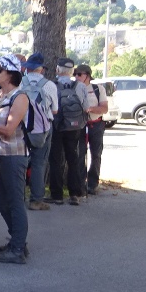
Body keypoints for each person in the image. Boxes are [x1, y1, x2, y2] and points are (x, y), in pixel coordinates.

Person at [0, 54, 30, 264]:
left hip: (14, 156)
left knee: (15, 202)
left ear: (11, 73)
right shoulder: (0, 96)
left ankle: (17, 247)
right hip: (1, 155)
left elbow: (9, 129)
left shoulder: (19, 97)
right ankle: (18, 241)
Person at [49, 57, 93, 205]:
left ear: (57, 70)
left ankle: (57, 195)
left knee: (55, 160)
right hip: (75, 127)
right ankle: (75, 193)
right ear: (72, 71)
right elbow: (86, 107)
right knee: (73, 159)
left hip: (56, 126)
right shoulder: (80, 86)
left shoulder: (51, 85)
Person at [21, 53, 58, 210]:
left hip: (21, 126)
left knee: (19, 162)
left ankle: (18, 197)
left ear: (28, 68)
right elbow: (55, 110)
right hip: (43, 128)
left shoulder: (19, 83)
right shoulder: (49, 85)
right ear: (41, 68)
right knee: (39, 164)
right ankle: (36, 199)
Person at [75, 63, 108, 195]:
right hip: (80, 126)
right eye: (75, 74)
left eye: (79, 74)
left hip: (96, 124)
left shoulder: (98, 89)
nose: (76, 77)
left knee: (96, 154)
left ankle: (93, 183)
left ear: (87, 76)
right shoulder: (74, 88)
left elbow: (104, 108)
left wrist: (91, 109)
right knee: (80, 154)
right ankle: (81, 183)